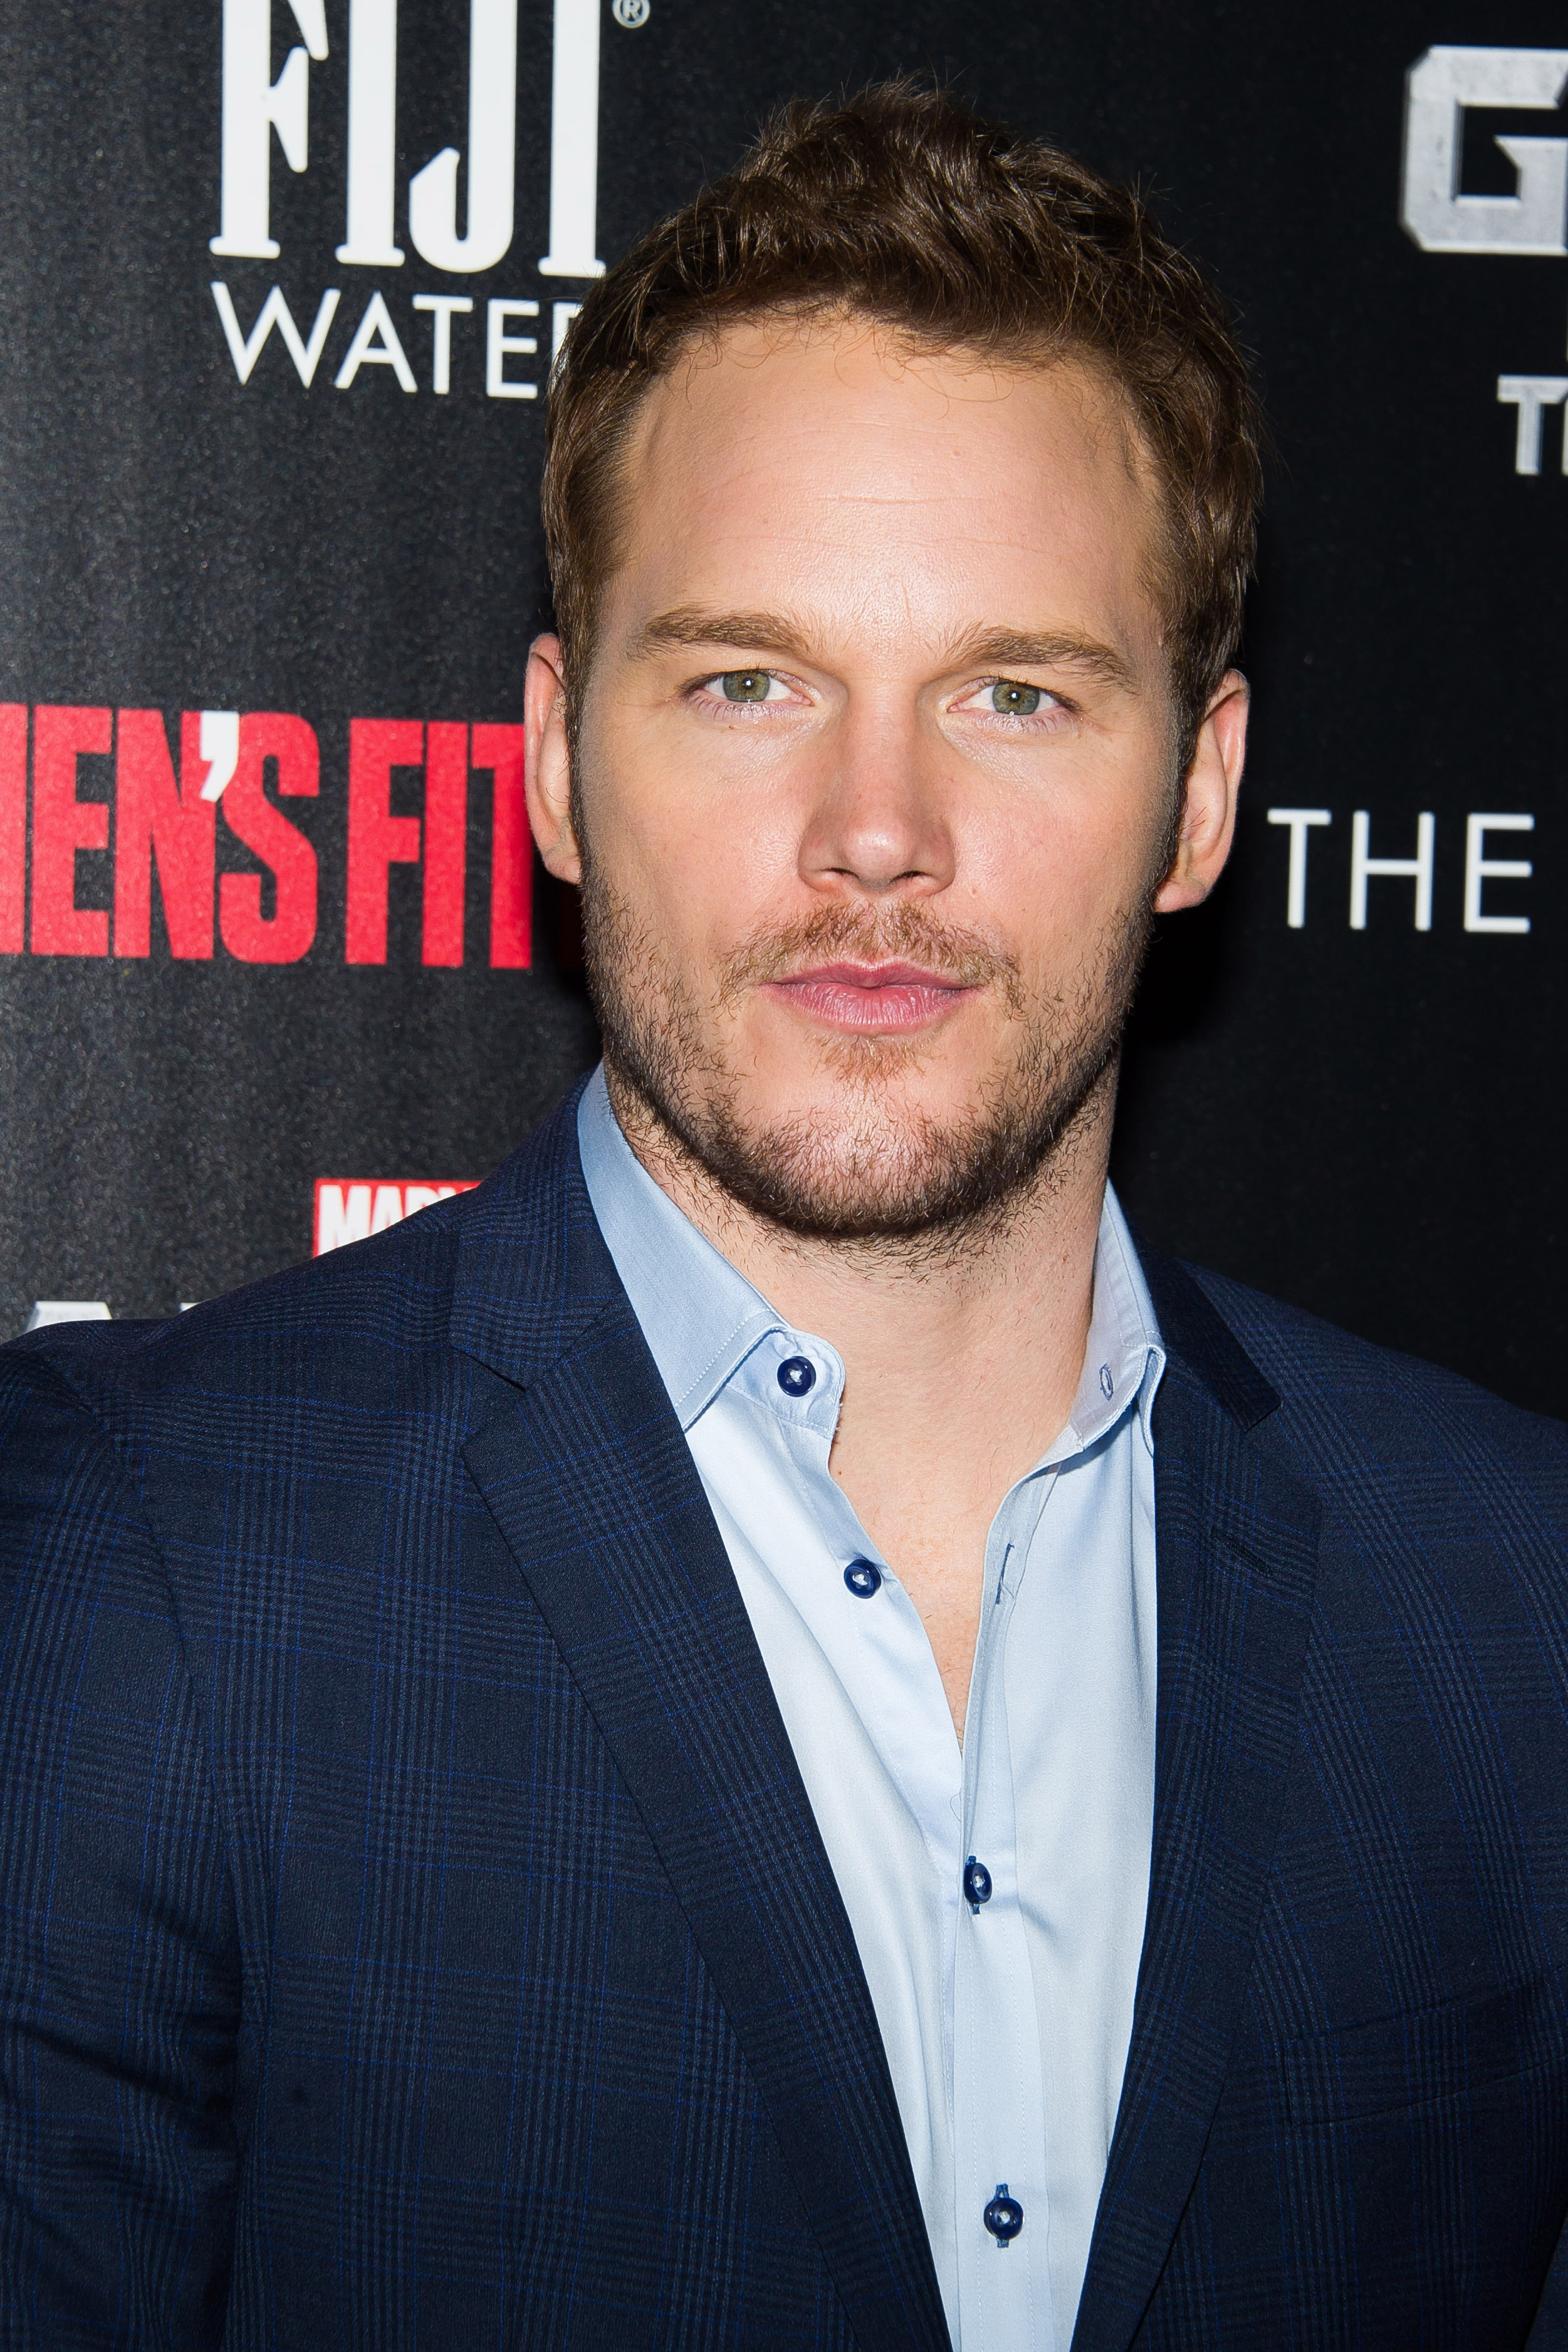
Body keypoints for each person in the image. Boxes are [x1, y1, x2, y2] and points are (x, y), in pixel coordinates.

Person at [1, 79, 1564, 2352]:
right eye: (750, 682)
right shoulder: (136, 1553)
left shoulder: (1516, 1607)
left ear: (1202, 792)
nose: (877, 827)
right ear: (555, 759)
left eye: (1014, 693)